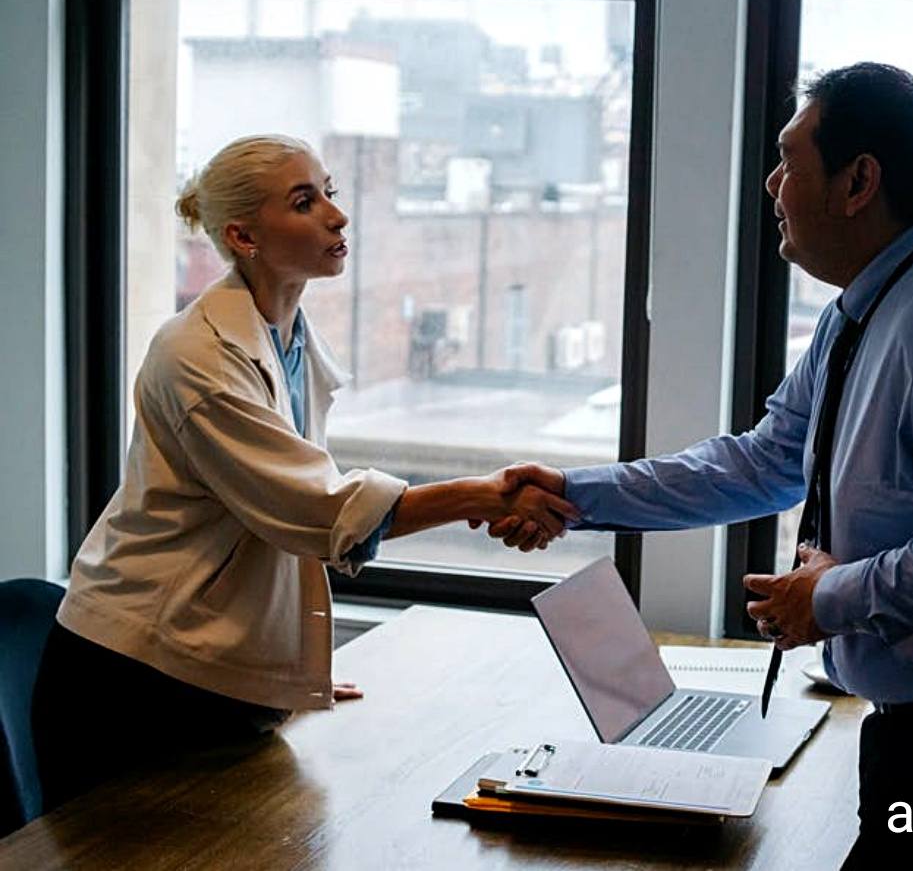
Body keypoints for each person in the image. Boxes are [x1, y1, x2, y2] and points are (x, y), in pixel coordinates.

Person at [495, 64, 913, 868]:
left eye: (791, 159)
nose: (771, 182)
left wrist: (832, 593)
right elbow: (761, 463)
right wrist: (574, 495)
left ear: (858, 182)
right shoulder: (866, 309)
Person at [31, 134, 578, 811]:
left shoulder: (285, 337)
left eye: (330, 193)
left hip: (205, 668)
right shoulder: (197, 356)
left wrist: (289, 668)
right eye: (304, 201)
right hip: (135, 677)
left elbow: (281, 519)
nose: (336, 216)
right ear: (242, 234)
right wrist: (484, 494)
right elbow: (315, 510)